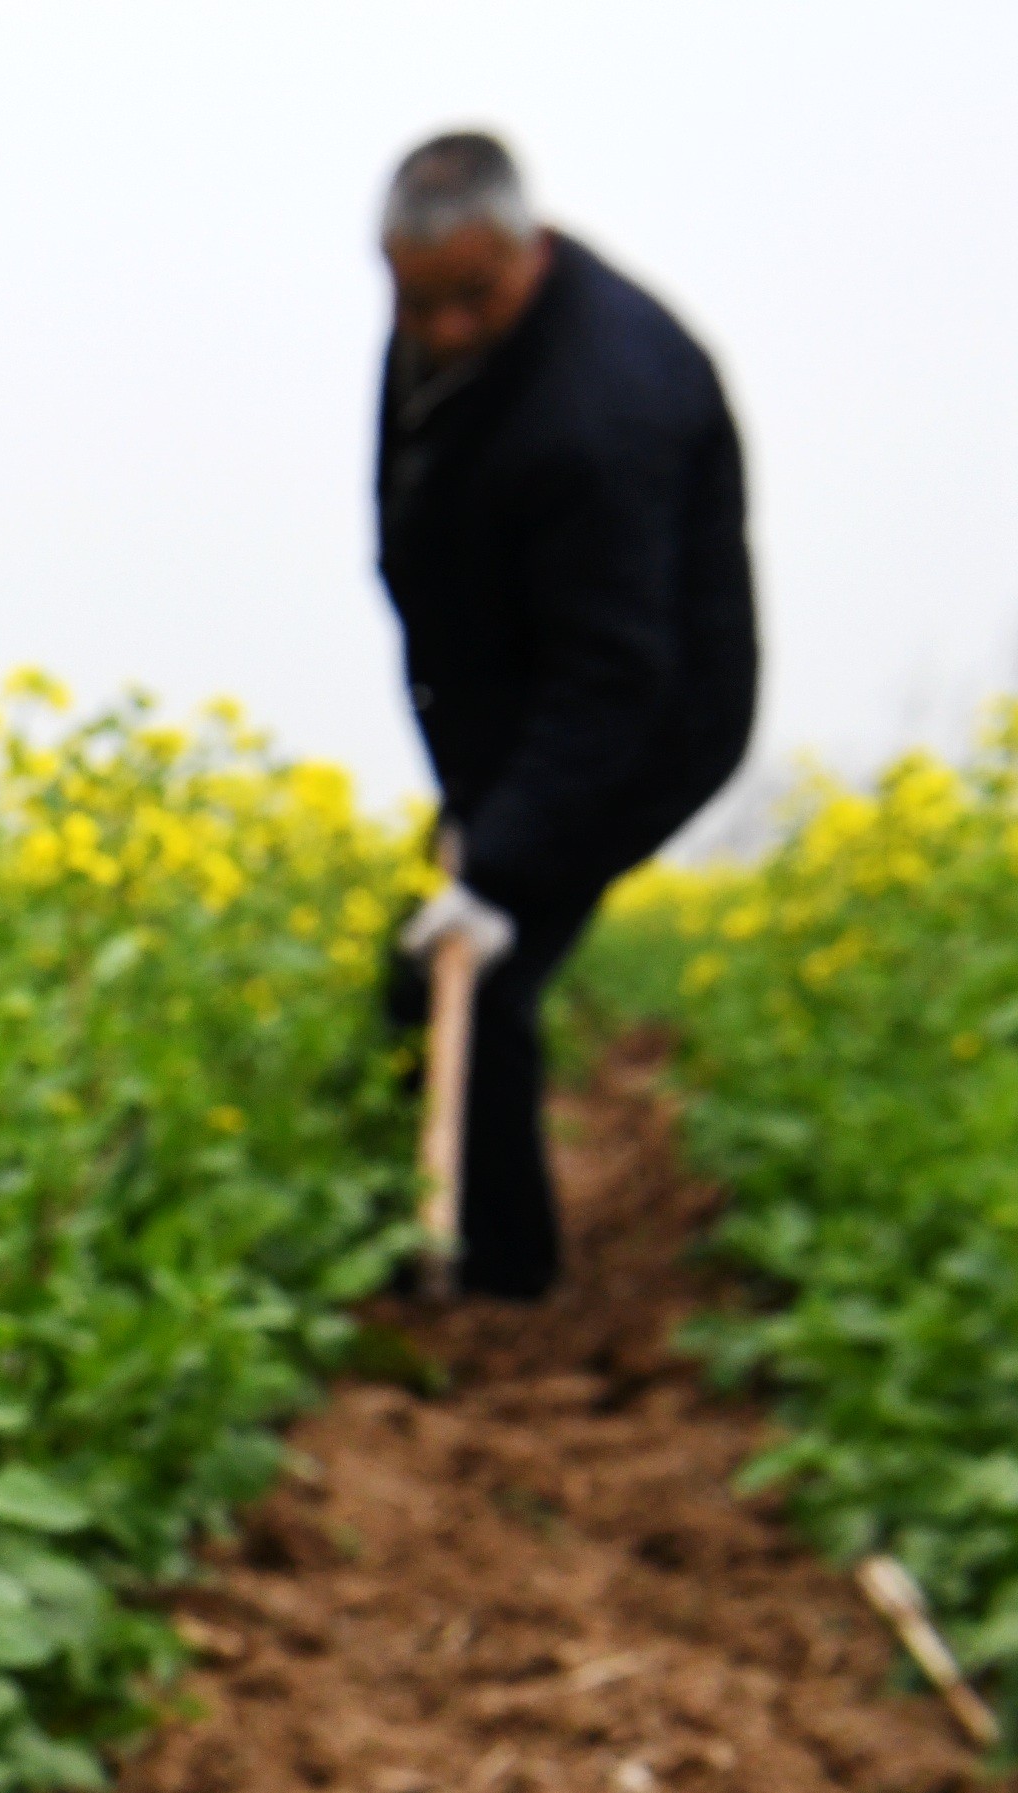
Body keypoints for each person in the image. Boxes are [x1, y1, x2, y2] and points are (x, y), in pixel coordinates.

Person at [372, 130, 755, 1298]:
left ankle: (500, 1284)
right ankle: (442, 1231)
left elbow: (614, 678)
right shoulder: (453, 329)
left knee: (476, 971)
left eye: (468, 300)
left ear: (527, 250)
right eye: (416, 301)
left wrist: (501, 861)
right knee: (427, 961)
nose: (437, 330)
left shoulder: (604, 407)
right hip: (523, 704)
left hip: (647, 720)